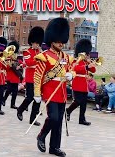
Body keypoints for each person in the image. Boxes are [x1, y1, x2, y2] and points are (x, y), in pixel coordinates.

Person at [35, 18, 73, 157]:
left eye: (62, 41)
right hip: (50, 91)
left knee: (59, 122)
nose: (60, 44)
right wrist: (37, 93)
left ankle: (54, 147)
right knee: (53, 118)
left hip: (61, 92)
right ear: (52, 41)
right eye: (58, 41)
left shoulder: (66, 57)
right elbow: (38, 75)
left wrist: (71, 75)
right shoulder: (44, 56)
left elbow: (71, 69)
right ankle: (41, 135)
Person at [17, 27, 44, 126]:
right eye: (35, 43)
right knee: (29, 98)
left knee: (38, 99)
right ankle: (20, 109)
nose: (36, 45)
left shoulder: (40, 52)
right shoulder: (27, 52)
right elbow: (28, 63)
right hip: (30, 78)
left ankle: (33, 119)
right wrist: (38, 58)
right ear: (31, 42)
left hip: (39, 78)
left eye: (38, 43)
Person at [66, 39, 96, 126]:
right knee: (78, 101)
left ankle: (82, 119)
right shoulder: (76, 60)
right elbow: (76, 69)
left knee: (83, 103)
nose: (87, 54)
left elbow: (93, 70)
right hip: (77, 83)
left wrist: (90, 63)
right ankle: (68, 110)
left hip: (84, 84)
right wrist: (86, 66)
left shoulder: (86, 61)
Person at [3, 40, 22, 109]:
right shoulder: (8, 57)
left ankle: (12, 104)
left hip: (16, 76)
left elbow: (20, 63)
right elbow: (6, 67)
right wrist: (10, 65)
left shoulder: (17, 57)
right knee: (9, 89)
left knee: (15, 91)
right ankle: (3, 100)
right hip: (10, 75)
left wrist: (19, 65)